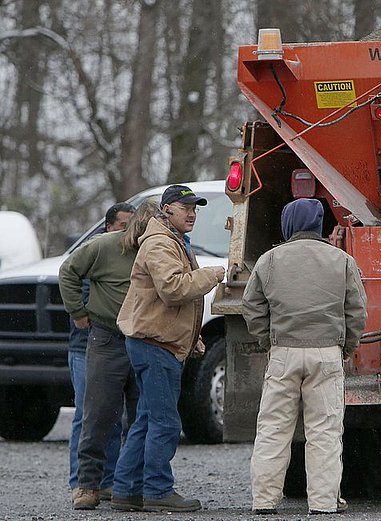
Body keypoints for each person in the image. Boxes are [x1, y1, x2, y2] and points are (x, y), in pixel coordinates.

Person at [242, 198, 367, 515]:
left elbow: (252, 307)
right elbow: (356, 312)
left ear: (289, 224)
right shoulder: (342, 260)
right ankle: (324, 503)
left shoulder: (269, 260)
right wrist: (346, 347)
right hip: (326, 353)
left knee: (273, 429)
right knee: (324, 433)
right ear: (318, 224)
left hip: (283, 352)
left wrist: (266, 340)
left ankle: (264, 501)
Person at [111, 185, 225, 513]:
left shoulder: (171, 240)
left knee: (147, 418)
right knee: (165, 422)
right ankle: (158, 491)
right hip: (154, 345)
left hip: (156, 341)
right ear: (166, 210)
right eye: (184, 207)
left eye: (195, 208)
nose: (191, 213)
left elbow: (167, 302)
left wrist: (191, 338)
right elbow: (173, 289)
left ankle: (126, 490)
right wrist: (213, 274)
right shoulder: (161, 242)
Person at [60, 201, 157, 510]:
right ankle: (88, 485)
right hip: (107, 339)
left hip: (146, 339)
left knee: (143, 417)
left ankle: (130, 486)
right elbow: (68, 272)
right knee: (99, 414)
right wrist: (78, 312)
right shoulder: (103, 246)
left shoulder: (161, 250)